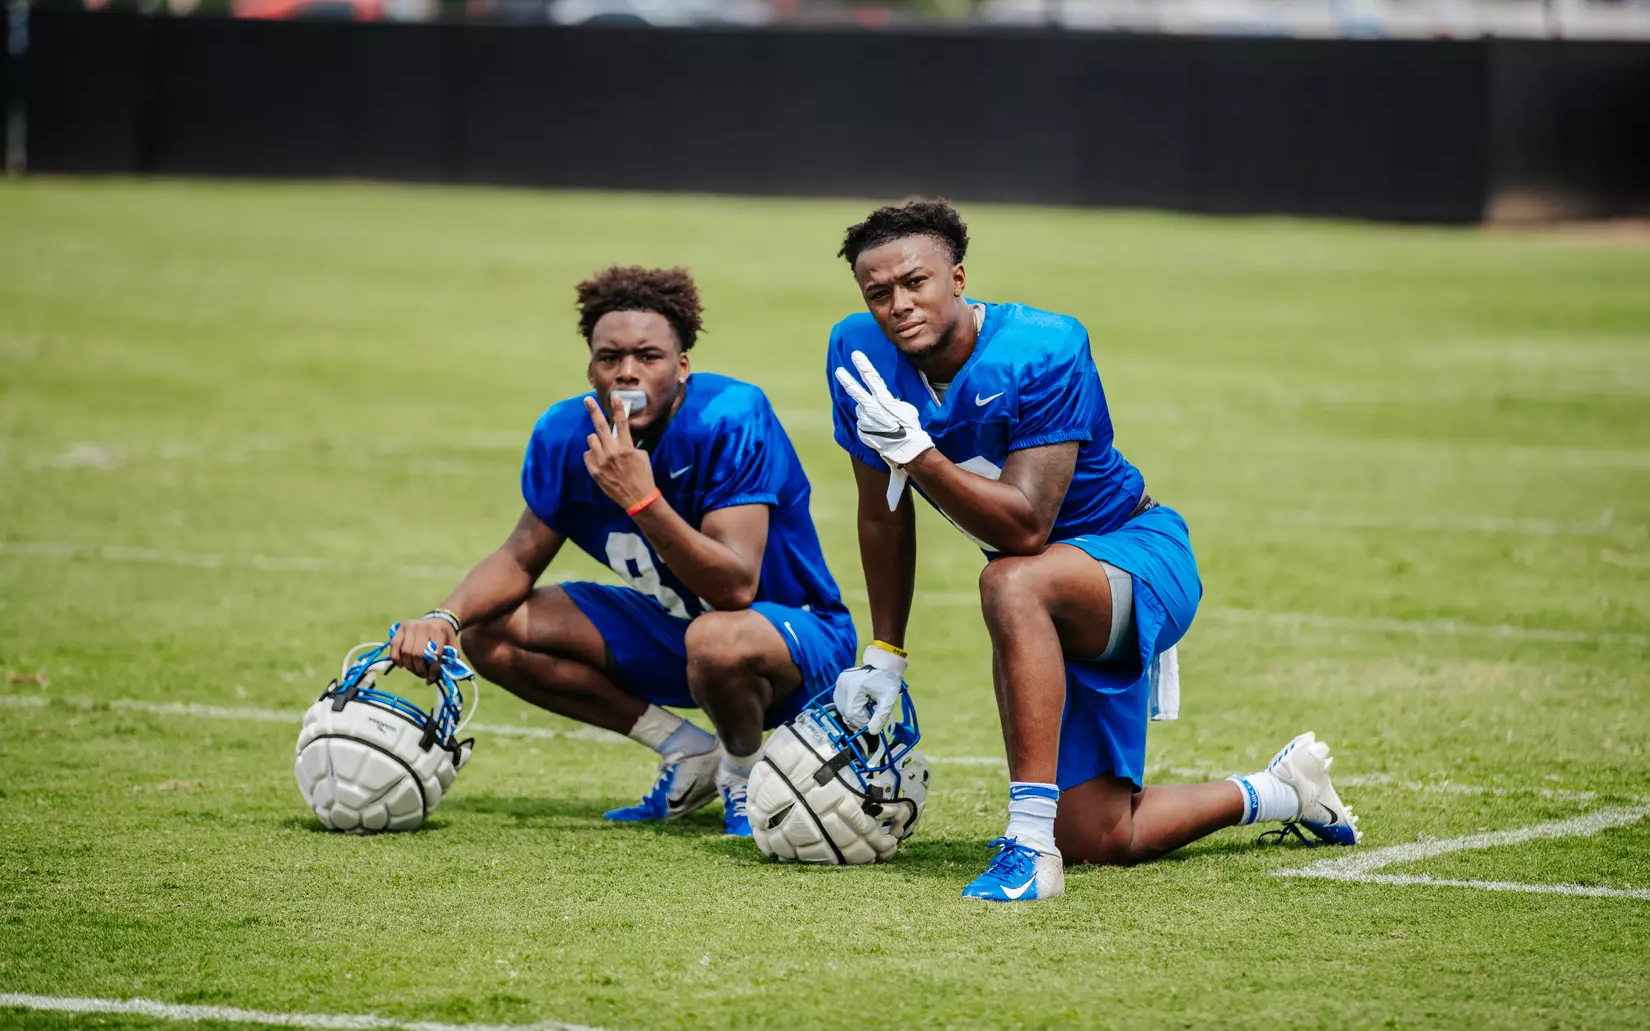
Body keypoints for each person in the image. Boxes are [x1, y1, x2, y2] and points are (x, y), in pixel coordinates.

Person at [825, 200, 1357, 901]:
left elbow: (1024, 529)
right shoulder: (856, 351)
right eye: (879, 293)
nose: (898, 305)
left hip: (1134, 555)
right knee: (1104, 838)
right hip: (1044, 599)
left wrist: (922, 456)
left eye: (915, 283)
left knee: (1012, 580)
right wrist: (884, 655)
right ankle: (1281, 792)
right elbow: (882, 514)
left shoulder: (1044, 346)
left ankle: (1027, 846)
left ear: (957, 278)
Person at [391, 265, 855, 837]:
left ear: (683, 364)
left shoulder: (728, 416)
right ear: (591, 366)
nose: (627, 372)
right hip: (679, 630)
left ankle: (741, 771)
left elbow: (734, 587)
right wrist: (443, 617)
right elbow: (517, 558)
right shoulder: (566, 435)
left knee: (716, 637)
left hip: (795, 642)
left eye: (648, 356)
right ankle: (687, 752)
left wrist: (642, 500)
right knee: (488, 631)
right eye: (609, 357)